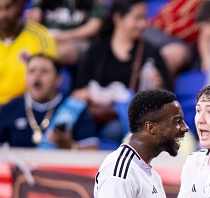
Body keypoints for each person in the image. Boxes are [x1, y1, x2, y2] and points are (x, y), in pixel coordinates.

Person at [72, 0, 170, 146]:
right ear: (118, 18)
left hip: (128, 121)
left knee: (113, 130)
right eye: (137, 18)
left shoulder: (151, 53)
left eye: (144, 18)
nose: (143, 24)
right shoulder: (97, 50)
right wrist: (99, 95)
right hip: (96, 115)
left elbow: (168, 100)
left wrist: (158, 87)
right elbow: (76, 93)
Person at [0, 0, 57, 136]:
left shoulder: (39, 36)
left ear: (18, 6)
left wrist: (0, 110)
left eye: (8, 7)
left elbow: (46, 83)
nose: (3, 14)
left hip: (24, 109)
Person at [0, 53, 99, 149]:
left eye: (44, 71)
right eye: (32, 71)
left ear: (58, 80)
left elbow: (91, 152)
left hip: (58, 169)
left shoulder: (76, 107)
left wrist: (68, 145)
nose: (37, 75)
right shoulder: (10, 108)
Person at [26, 0, 108, 65]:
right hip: (47, 37)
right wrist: (34, 15)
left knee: (54, 52)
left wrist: (63, 36)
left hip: (78, 40)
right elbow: (33, 18)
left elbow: (94, 27)